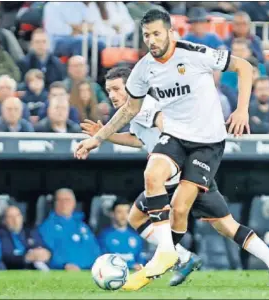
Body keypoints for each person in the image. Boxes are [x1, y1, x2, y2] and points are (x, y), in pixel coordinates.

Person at [75, 8, 253, 282]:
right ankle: (169, 252)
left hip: (205, 141)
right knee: (151, 177)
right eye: (147, 35)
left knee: (205, 217)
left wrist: (241, 110)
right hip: (176, 138)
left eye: (157, 33)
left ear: (170, 32)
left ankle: (175, 253)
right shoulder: (142, 70)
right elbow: (127, 112)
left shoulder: (194, 53)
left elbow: (244, 66)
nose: (152, 40)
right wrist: (98, 139)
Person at [80, 66, 269, 290]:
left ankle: (174, 257)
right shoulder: (135, 112)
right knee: (225, 225)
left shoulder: (145, 105)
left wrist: (171, 155)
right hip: (185, 170)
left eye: (116, 89)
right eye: (108, 90)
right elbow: (138, 139)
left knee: (145, 212)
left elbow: (166, 127)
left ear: (131, 86)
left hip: (177, 171)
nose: (111, 95)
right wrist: (107, 135)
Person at [38, 188, 101, 270]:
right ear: (54, 203)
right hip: (64, 273)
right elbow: (47, 254)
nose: (64, 203)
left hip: (89, 272)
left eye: (67, 200)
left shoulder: (83, 226)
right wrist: (64, 265)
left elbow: (95, 250)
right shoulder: (47, 227)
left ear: (74, 203)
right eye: (59, 200)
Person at [98, 199, 146, 271]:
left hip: (132, 277)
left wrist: (140, 265)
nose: (123, 215)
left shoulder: (136, 237)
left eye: (126, 212)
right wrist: (130, 266)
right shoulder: (104, 236)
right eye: (119, 212)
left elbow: (141, 260)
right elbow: (102, 260)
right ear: (112, 214)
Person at [0, 206, 50, 270]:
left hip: (35, 267)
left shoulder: (30, 231)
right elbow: (6, 257)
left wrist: (47, 253)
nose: (15, 220)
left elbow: (42, 246)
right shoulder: (1, 234)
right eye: (10, 217)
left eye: (17, 216)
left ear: (22, 217)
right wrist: (26, 258)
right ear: (4, 220)